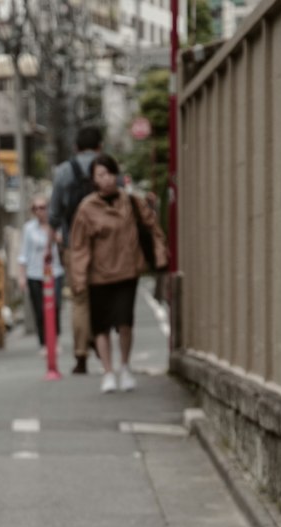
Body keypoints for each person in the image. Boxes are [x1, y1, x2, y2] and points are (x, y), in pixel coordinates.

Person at [66, 152, 168, 395]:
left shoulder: (131, 201)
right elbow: (79, 247)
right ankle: (108, 371)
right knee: (100, 326)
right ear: (93, 179)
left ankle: (124, 366)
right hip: (98, 276)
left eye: (110, 173)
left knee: (125, 323)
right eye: (101, 174)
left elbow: (152, 227)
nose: (108, 179)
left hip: (127, 271)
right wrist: (78, 279)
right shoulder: (87, 208)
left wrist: (160, 255)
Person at [50, 126, 103, 374]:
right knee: (102, 295)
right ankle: (104, 350)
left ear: (76, 147)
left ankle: (80, 355)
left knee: (79, 299)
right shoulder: (107, 167)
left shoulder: (63, 171)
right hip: (105, 245)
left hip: (74, 245)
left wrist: (55, 242)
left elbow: (53, 214)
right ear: (99, 146)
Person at [17, 194, 63, 350]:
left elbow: (64, 245)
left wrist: (56, 237)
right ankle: (44, 342)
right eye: (35, 208)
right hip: (35, 273)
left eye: (42, 207)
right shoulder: (29, 228)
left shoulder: (56, 225)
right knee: (39, 309)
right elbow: (24, 253)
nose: (39, 211)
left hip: (55, 271)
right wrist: (22, 276)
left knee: (55, 306)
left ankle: (55, 339)